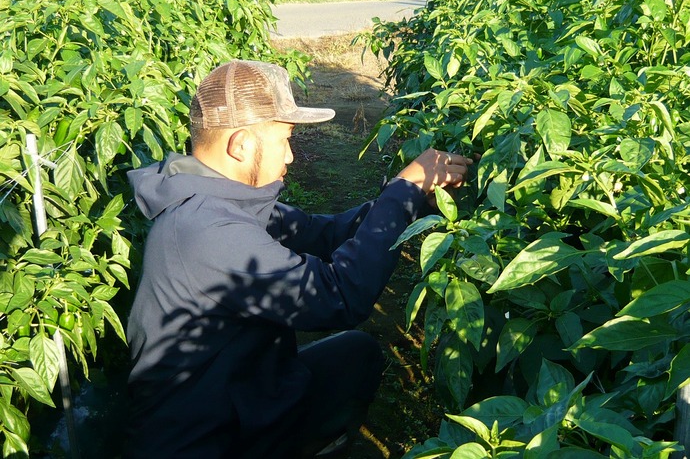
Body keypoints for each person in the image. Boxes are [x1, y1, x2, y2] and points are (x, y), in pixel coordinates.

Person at [124, 59, 473, 458]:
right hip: (204, 437)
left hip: (242, 391)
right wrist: (400, 191)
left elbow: (319, 233)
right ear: (241, 145)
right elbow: (339, 296)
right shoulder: (203, 229)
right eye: (285, 139)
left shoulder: (220, 197)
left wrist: (410, 202)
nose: (289, 156)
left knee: (355, 356)